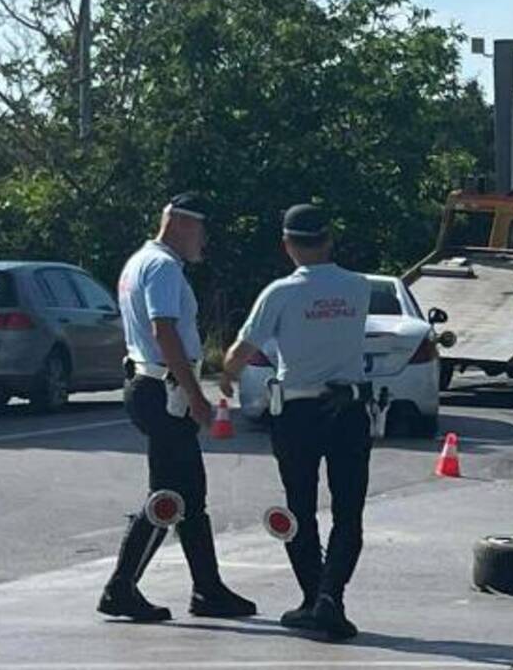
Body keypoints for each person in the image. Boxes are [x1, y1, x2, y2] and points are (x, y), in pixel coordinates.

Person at [98, 193, 256, 622]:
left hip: (152, 385)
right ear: (184, 224)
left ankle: (208, 590)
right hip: (163, 390)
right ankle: (120, 588)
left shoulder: (141, 261)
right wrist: (197, 396)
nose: (203, 240)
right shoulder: (164, 267)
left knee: (189, 495)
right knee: (168, 496)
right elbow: (163, 330)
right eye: (202, 230)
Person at [219, 204, 372, 641]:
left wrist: (227, 376)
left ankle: (312, 598)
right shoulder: (358, 288)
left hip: (298, 411)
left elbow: (242, 351)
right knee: (349, 511)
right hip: (348, 407)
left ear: (287, 245)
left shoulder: (280, 293)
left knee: (299, 509)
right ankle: (330, 598)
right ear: (330, 240)